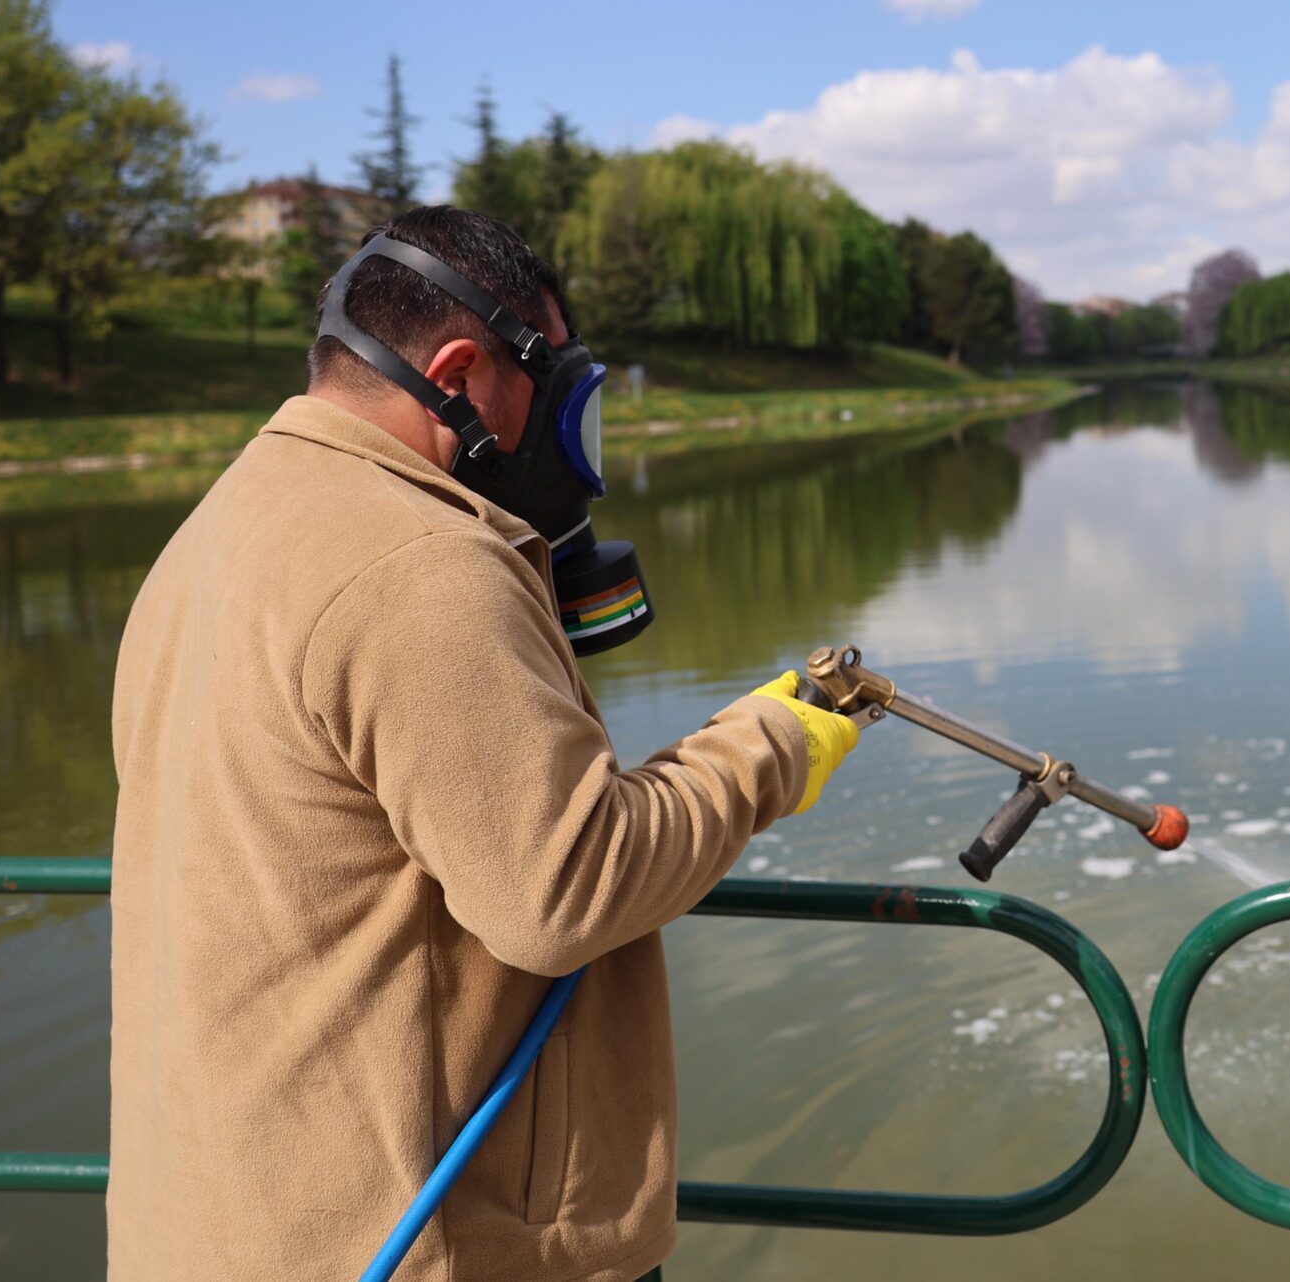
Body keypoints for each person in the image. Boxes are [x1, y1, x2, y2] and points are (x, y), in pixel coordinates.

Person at [109, 205, 860, 1282]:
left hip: (219, 1222)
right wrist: (776, 739)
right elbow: (567, 886)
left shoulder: (217, 528)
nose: (565, 437)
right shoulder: (422, 565)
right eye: (552, 392)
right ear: (459, 372)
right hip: (420, 1238)